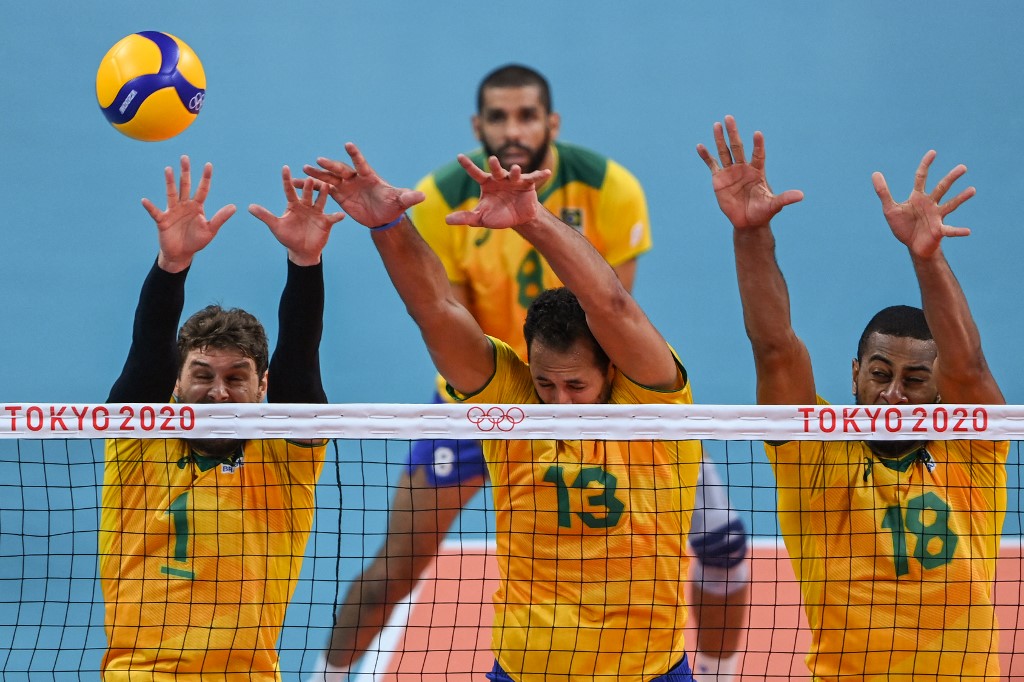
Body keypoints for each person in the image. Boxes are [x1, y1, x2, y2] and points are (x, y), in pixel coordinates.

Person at [312, 64, 749, 682]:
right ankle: (327, 674)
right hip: (494, 409)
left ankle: (717, 672)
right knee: (400, 558)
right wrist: (387, 224)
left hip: (630, 459)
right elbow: (437, 309)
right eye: (550, 388)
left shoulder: (650, 396)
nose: (562, 402)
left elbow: (612, 308)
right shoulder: (518, 402)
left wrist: (532, 221)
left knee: (725, 550)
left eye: (575, 388)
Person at [699, 115, 1009, 679]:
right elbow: (774, 347)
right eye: (880, 374)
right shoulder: (814, 453)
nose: (892, 395)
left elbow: (969, 364)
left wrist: (928, 258)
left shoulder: (974, 452)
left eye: (914, 381)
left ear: (940, 391)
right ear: (854, 374)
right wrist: (751, 235)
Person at [99, 156, 345, 681]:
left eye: (237, 378)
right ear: (175, 384)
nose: (217, 394)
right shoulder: (139, 445)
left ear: (263, 389)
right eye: (202, 375)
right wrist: (172, 267)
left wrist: (305, 262)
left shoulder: (284, 462)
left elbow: (300, 362)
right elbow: (145, 356)